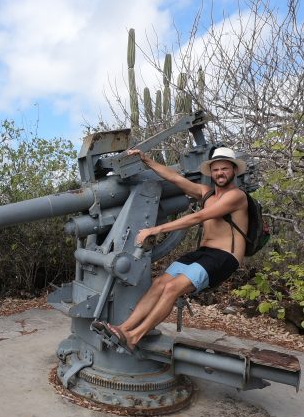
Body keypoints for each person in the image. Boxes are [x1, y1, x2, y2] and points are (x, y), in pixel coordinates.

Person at [96, 147, 249, 351]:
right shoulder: (206, 193)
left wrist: (155, 229)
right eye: (216, 169)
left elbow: (198, 217)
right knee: (160, 283)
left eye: (225, 169)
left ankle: (133, 337)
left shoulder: (237, 196)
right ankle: (122, 328)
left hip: (224, 257)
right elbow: (176, 179)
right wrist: (146, 159)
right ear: (211, 172)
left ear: (234, 171)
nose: (220, 173)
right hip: (203, 253)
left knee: (172, 289)